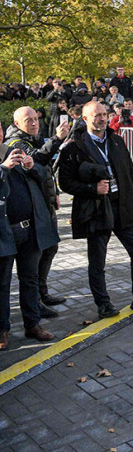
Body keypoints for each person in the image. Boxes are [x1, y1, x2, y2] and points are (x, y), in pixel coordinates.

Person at [58, 102, 133, 319]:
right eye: (97, 115)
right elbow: (65, 183)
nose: (102, 119)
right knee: (97, 260)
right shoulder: (74, 147)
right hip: (96, 209)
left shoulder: (116, 140)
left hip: (123, 206)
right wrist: (92, 189)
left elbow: (130, 174)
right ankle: (103, 304)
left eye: (105, 114)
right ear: (85, 119)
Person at [5, 107, 70, 314]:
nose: (34, 123)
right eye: (28, 120)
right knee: (38, 255)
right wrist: (57, 139)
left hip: (44, 203)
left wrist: (55, 193)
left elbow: (46, 171)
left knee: (50, 248)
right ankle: (37, 302)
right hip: (32, 210)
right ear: (17, 124)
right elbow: (38, 162)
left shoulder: (33, 139)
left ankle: (42, 294)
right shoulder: (16, 144)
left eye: (35, 119)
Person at [0, 126, 59, 348]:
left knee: (30, 279)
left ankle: (32, 324)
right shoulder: (5, 161)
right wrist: (4, 168)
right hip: (4, 232)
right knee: (2, 284)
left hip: (29, 229)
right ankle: (2, 331)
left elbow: (43, 175)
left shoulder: (13, 150)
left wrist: (31, 166)